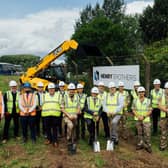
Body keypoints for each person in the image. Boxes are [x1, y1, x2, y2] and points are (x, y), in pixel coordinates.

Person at [132, 86, 152, 153]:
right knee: (139, 133)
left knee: (147, 133)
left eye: (142, 92)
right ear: (138, 93)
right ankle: (140, 144)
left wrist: (143, 117)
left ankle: (148, 146)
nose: (141, 93)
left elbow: (150, 110)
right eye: (140, 92)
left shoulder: (148, 100)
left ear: (144, 92)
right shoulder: (135, 100)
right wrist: (138, 116)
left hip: (146, 119)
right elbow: (133, 110)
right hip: (138, 119)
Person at [42, 83, 61, 147]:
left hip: (55, 115)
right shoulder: (44, 95)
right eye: (50, 89)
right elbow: (41, 104)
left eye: (52, 88)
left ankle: (55, 141)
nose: (51, 90)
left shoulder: (58, 95)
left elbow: (61, 104)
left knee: (55, 128)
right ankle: (49, 139)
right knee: (47, 128)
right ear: (48, 89)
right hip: (46, 114)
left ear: (54, 89)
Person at [158, 82, 168, 151]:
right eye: (167, 89)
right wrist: (166, 110)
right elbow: (159, 105)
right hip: (164, 117)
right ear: (164, 89)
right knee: (163, 131)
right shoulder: (161, 96)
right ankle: (163, 145)